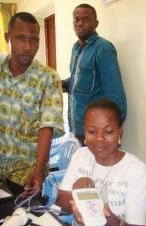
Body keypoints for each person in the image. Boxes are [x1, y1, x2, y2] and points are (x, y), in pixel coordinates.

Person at [56, 98, 146, 225]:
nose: (99, 138)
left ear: (119, 132)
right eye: (92, 131)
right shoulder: (80, 156)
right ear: (84, 131)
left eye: (108, 131)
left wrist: (103, 216)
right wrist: (76, 194)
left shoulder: (137, 172)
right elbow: (60, 203)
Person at [0, 12, 64, 193]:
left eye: (34, 40)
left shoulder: (48, 78)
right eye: (21, 38)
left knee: (23, 218)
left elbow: (47, 127)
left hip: (25, 174)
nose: (28, 46)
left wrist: (38, 171)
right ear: (8, 38)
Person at [62, 4, 126, 145]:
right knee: (83, 166)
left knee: (100, 167)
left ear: (95, 23)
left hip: (98, 130)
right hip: (78, 126)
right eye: (76, 20)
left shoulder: (103, 48)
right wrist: (66, 83)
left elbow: (115, 91)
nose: (80, 23)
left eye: (85, 19)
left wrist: (115, 129)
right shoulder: (75, 48)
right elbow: (82, 79)